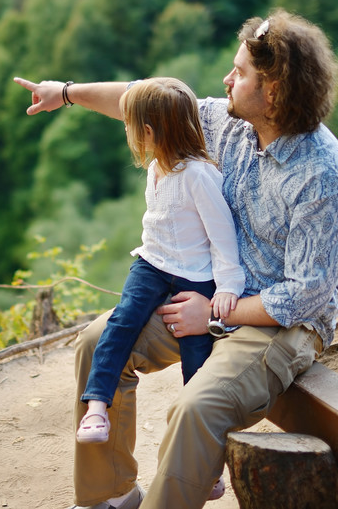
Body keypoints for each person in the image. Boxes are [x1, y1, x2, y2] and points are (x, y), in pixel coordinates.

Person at [14, 8, 338, 509]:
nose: (227, 79)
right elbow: (144, 100)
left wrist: (216, 315)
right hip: (206, 291)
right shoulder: (229, 124)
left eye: (239, 72)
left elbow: (305, 295)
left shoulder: (323, 174)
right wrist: (66, 93)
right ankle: (108, 497)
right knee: (96, 343)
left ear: (273, 92)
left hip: (279, 324)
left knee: (196, 408)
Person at [77, 78, 245, 458]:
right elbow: (157, 226)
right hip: (152, 263)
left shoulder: (198, 176)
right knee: (123, 319)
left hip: (195, 273)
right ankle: (97, 406)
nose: (126, 129)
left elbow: (222, 235)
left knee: (197, 355)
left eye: (129, 123)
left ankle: (204, 456)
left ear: (149, 132)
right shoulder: (156, 169)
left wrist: (227, 286)